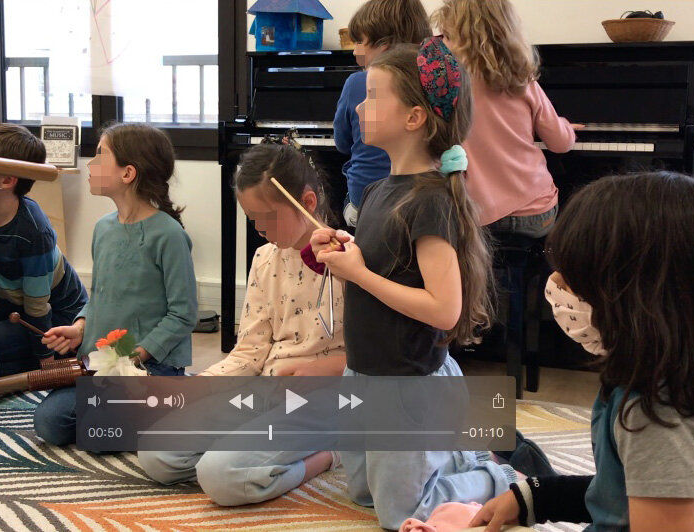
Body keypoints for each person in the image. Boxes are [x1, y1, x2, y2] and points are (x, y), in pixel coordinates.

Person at [469, 172, 694, 532]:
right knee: (497, 437)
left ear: (636, 296)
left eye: (574, 276)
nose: (557, 285)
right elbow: (614, 499)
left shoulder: (657, 414)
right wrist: (533, 496)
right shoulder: (663, 380)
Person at [309, 40, 516, 529]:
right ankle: (446, 452)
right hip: (363, 373)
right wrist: (344, 248)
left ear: (415, 118)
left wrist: (360, 273)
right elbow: (380, 262)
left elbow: (444, 309)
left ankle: (494, 477)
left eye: (375, 95)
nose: (360, 104)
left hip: (406, 382)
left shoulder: (431, 200)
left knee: (402, 513)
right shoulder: (381, 189)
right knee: (361, 494)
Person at [138, 142, 347, 505]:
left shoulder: (349, 262)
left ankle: (331, 453)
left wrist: (316, 368)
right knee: (155, 452)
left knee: (221, 477)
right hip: (265, 393)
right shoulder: (265, 258)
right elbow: (249, 352)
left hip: (324, 400)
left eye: (267, 217)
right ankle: (247, 449)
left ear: (308, 203)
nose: (260, 228)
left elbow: (375, 359)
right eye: (252, 218)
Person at [34, 123, 197, 446]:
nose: (90, 164)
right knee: (49, 423)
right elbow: (101, 296)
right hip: (104, 362)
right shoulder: (103, 228)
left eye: (99, 155)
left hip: (150, 364)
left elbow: (183, 315)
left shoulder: (168, 235)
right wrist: (80, 328)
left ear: (128, 173)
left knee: (97, 435)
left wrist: (135, 357)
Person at [433, 0, 577, 236]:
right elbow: (561, 144)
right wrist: (564, 126)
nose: (441, 43)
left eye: (447, 35)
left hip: (477, 216)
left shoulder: (443, 86)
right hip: (535, 210)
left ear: (464, 40)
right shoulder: (522, 79)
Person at [0, 123, 88, 375]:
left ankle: (33, 360)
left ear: (7, 180)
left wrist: (47, 363)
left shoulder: (32, 231)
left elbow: (38, 308)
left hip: (54, 318)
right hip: (10, 306)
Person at [336, 0, 431, 227]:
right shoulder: (435, 80)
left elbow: (342, 144)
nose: (356, 51)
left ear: (385, 46)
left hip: (366, 206)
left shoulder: (358, 81)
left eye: (360, 41)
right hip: (423, 200)